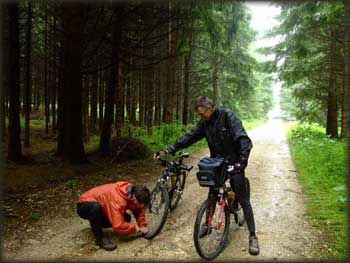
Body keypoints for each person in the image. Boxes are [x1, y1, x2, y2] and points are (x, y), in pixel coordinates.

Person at [154, 96, 259, 255]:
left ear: (212, 107)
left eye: (203, 113)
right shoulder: (205, 122)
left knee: (243, 198)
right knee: (213, 190)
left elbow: (244, 140)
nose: (201, 117)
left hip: (235, 161)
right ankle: (207, 223)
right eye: (199, 115)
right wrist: (170, 149)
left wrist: (241, 162)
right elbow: (190, 137)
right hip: (217, 162)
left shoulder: (227, 116)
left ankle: (252, 236)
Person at [77, 181, 150, 251]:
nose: (141, 205)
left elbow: (138, 209)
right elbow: (118, 225)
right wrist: (135, 228)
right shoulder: (117, 199)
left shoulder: (133, 191)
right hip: (83, 205)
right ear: (134, 197)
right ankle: (99, 239)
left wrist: (142, 224)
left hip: (102, 207)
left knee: (126, 218)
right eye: (140, 202)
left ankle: (96, 221)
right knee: (95, 207)